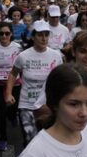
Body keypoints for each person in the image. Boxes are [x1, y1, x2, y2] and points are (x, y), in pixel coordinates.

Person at [5, 20, 64, 148]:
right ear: (33, 36)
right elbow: (13, 74)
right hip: (27, 105)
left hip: (47, 106)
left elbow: (60, 79)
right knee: (30, 140)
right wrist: (8, 93)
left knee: (48, 142)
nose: (44, 38)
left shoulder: (56, 56)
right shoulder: (23, 56)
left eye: (46, 35)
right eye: (40, 35)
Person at [0, 22, 23, 151]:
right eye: (1, 33)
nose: (4, 36)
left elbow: (21, 66)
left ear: (11, 34)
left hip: (15, 84)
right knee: (1, 111)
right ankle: (3, 138)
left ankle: (13, 116)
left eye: (7, 33)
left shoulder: (17, 47)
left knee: (13, 108)